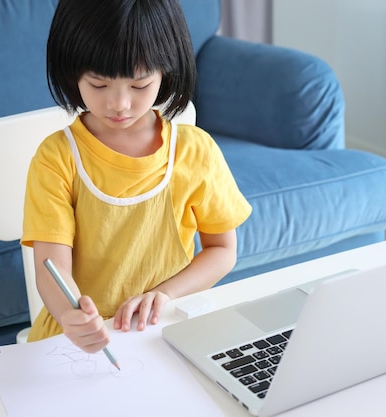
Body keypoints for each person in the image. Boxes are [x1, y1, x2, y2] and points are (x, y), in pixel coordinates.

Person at [21, 0, 252, 353]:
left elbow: (222, 250)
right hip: (78, 342)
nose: (120, 104)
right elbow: (51, 268)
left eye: (140, 85)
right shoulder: (57, 158)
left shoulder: (195, 151)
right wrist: (71, 316)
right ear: (72, 73)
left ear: (167, 71)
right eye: (98, 85)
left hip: (164, 330)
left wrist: (165, 294)